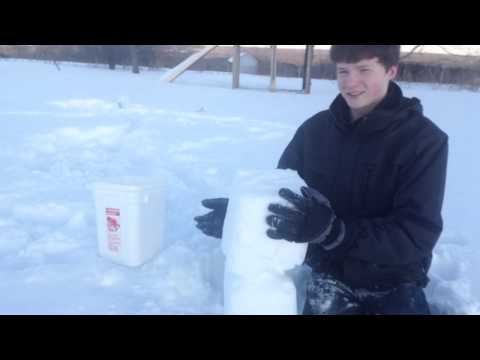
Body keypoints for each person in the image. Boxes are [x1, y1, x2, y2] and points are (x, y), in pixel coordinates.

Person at [194, 45, 449, 315]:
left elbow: (416, 234)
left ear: (391, 70)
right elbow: (284, 195)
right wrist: (243, 218)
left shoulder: (424, 141)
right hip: (331, 274)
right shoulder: (314, 131)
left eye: (364, 69)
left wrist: (336, 232)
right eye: (343, 71)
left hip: (396, 279)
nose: (351, 82)